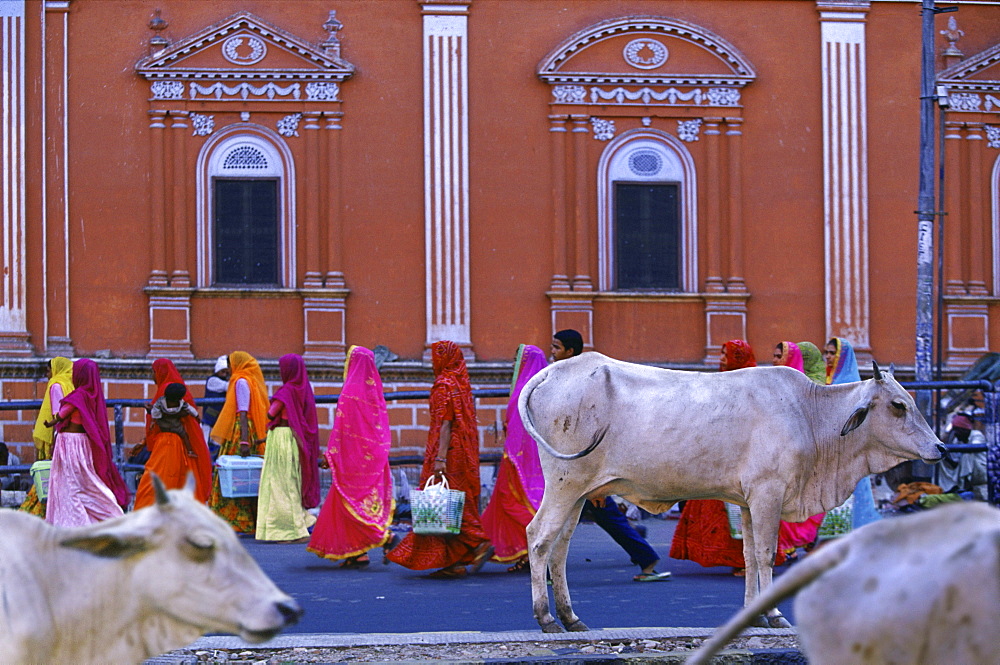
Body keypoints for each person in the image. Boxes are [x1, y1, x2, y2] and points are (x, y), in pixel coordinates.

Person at [551, 329, 670, 582]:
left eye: (556, 347)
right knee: (596, 518)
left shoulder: (580, 383)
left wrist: (595, 480)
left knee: (596, 517)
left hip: (587, 467)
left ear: (570, 352)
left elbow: (590, 431)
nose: (552, 352)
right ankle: (645, 556)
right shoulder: (569, 379)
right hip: (576, 466)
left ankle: (646, 558)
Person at [670, 340, 788, 575]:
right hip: (719, 455)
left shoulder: (752, 385)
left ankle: (750, 561)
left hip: (746, 458)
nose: (721, 358)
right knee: (722, 510)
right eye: (722, 353)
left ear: (739, 357)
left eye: (727, 354)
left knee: (744, 510)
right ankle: (737, 557)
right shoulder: (722, 382)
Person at [386, 340, 492, 578]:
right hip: (462, 452)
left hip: (447, 453)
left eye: (436, 356)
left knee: (442, 504)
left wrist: (440, 458)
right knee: (452, 503)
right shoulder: (460, 384)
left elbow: (445, 424)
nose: (433, 360)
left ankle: (479, 541)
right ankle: (453, 562)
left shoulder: (444, 385)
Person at [308, 345, 394, 566]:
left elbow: (341, 429)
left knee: (350, 503)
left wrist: (331, 454)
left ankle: (386, 537)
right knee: (352, 503)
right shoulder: (375, 392)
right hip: (373, 459)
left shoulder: (349, 393)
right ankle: (358, 552)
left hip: (351, 459)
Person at [481, 344, 548, 572]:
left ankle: (540, 540)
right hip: (523, 458)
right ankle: (526, 550)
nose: (512, 364)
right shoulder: (540, 389)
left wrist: (512, 452)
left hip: (518, 460)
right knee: (507, 502)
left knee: (510, 502)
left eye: (516, 360)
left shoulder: (527, 391)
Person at [44, 358, 128, 526]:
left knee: (72, 483)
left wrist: (50, 423)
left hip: (70, 443)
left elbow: (62, 414)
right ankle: (86, 519)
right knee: (81, 481)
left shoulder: (79, 395)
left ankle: (82, 521)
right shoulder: (92, 395)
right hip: (82, 443)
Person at [256, 353, 320, 542]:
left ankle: (289, 530)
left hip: (282, 439)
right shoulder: (304, 389)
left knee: (279, 485)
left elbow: (270, 413)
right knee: (292, 482)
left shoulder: (286, 391)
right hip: (294, 441)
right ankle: (301, 521)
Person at [133, 359, 213, 510]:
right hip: (177, 444)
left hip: (168, 443)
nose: (153, 376)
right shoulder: (175, 389)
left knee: (156, 481)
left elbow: (158, 419)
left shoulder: (165, 391)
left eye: (154, 372)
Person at [773, 341, 825, 558]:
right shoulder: (773, 384)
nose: (775, 360)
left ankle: (789, 544)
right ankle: (785, 546)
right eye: (774, 356)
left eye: (779, 356)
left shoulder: (807, 389)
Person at [209, 351, 269, 534]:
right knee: (243, 475)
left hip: (240, 430)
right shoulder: (249, 380)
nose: (228, 367)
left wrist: (243, 440)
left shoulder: (241, 381)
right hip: (245, 429)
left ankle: (235, 518)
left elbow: (242, 411)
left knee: (234, 474)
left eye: (230, 363)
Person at [825, 337, 880, 529]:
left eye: (833, 353)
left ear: (843, 356)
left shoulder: (850, 385)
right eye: (827, 353)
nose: (828, 357)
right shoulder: (829, 381)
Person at [21, 357, 75, 518]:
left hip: (61, 436)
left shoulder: (56, 385)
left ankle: (38, 512)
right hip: (73, 436)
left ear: (56, 369)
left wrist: (50, 433)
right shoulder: (71, 383)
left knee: (52, 476)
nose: (47, 374)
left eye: (48, 370)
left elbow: (57, 414)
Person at [202, 355, 230, 456]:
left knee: (217, 447)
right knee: (206, 446)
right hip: (210, 420)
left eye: (227, 372)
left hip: (219, 420)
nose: (225, 374)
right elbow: (227, 387)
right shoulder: (213, 381)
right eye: (223, 371)